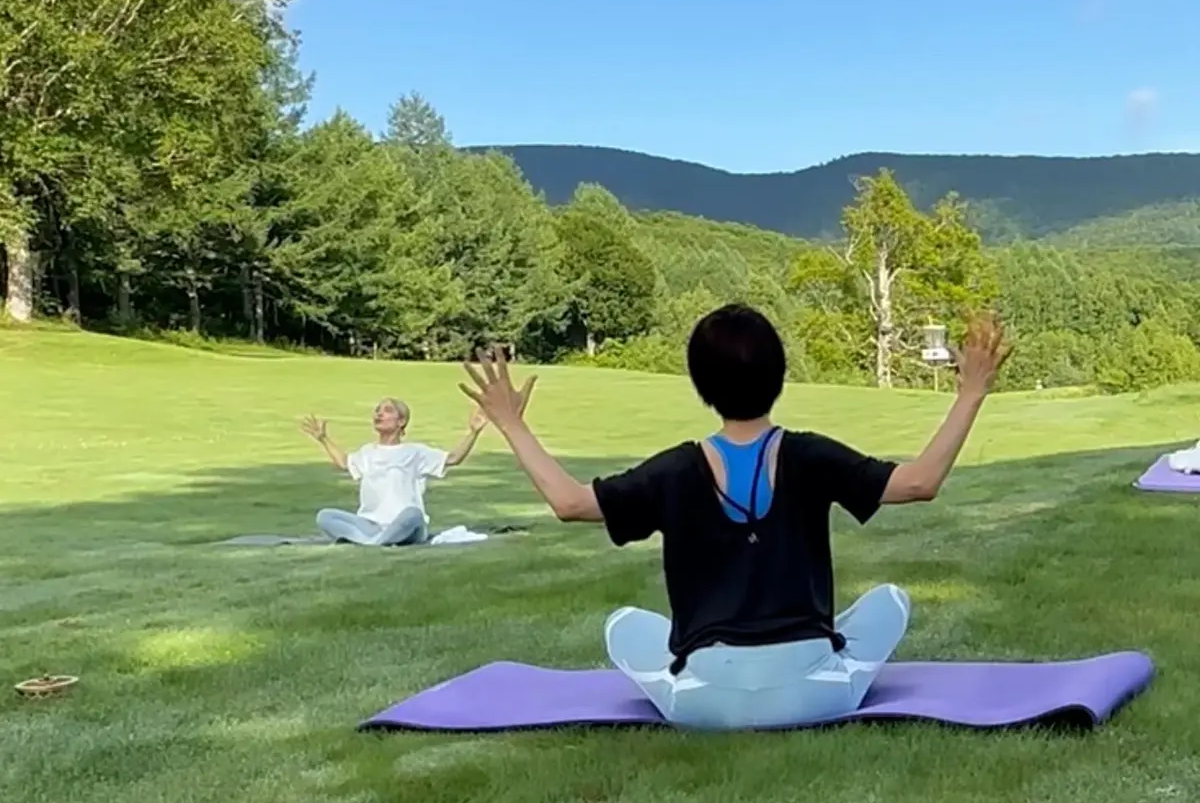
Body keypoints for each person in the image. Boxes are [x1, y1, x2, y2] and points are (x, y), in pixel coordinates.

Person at [459, 305, 1012, 729]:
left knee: (622, 624)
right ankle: (822, 653)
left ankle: (726, 669)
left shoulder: (675, 469)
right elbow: (920, 482)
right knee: (890, 600)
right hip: (817, 693)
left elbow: (570, 503)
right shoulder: (810, 455)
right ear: (779, 375)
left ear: (701, 386)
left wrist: (511, 423)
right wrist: (970, 392)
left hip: (705, 701)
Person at [301, 397, 492, 546]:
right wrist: (323, 438)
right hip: (370, 526)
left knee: (413, 513)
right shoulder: (367, 452)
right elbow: (344, 463)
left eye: (387, 410)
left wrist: (473, 432)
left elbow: (453, 458)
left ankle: (373, 543)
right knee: (325, 516)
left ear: (401, 421)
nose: (379, 414)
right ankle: (378, 541)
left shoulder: (415, 452)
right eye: (377, 410)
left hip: (409, 527)